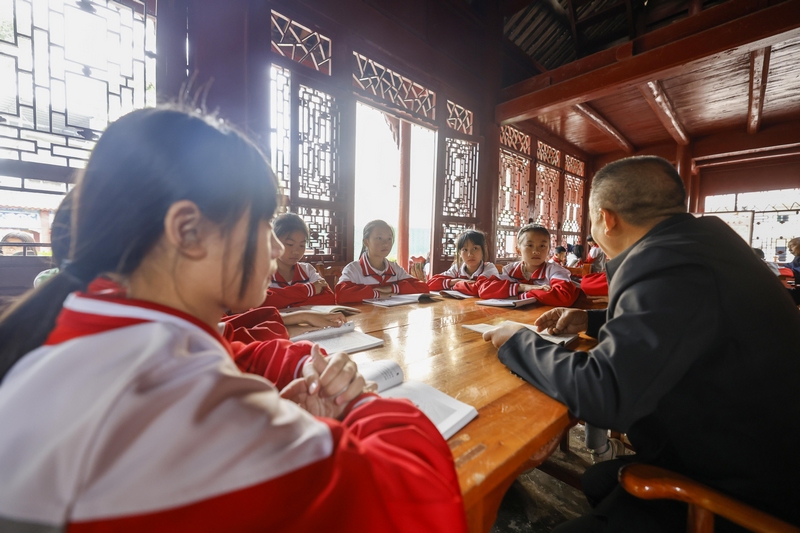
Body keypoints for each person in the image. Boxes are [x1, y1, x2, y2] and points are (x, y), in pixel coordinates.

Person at [0, 108, 467, 532]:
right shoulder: (183, 410)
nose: (280, 248)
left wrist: (298, 361)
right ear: (188, 231)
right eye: (265, 223)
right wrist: (362, 402)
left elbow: (230, 348)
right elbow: (418, 503)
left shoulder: (86, 326)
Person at [484, 156, 800, 531]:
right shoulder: (703, 244)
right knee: (598, 480)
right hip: (752, 450)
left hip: (747, 490)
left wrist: (517, 341)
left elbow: (606, 395)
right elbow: (683, 318)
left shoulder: (664, 262)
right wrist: (592, 319)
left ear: (607, 218)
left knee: (601, 484)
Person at [478, 224, 580, 307]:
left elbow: (564, 296)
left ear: (549, 250)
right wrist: (522, 287)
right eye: (530, 245)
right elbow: (484, 289)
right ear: (518, 250)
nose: (536, 251)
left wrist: (523, 296)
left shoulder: (555, 271)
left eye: (542, 246)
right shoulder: (510, 270)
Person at [335, 220, 429, 303]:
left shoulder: (395, 269)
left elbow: (423, 288)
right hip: (364, 321)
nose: (385, 243)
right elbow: (341, 295)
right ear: (366, 242)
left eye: (389, 239)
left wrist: (393, 288)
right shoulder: (353, 269)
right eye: (379, 238)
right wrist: (377, 294)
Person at [264, 212, 335, 309]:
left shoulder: (307, 270)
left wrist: (286, 303)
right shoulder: (263, 273)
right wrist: (308, 290)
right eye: (289, 244)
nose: (296, 252)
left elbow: (329, 298)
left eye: (302, 245)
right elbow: (261, 303)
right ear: (274, 242)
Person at [427, 229, 499, 296]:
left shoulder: (488, 268)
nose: (470, 254)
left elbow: (477, 288)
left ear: (483, 249)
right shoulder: (457, 268)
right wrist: (457, 281)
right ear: (459, 253)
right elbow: (430, 284)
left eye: (475, 248)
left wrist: (454, 286)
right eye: (465, 250)